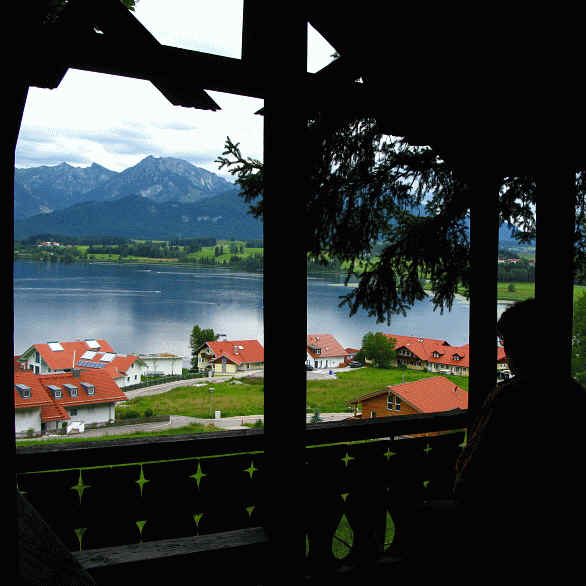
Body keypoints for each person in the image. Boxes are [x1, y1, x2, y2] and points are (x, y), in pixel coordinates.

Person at [397, 299, 585, 581]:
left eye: (509, 344)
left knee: (421, 519)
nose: (507, 352)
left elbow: (473, 476)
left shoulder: (510, 398)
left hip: (499, 525)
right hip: (559, 528)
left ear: (523, 347)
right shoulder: (573, 394)